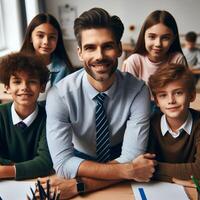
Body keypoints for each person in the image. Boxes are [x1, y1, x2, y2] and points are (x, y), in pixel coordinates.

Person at [43, 7, 156, 199]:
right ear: (79, 53)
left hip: (109, 165)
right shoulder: (59, 95)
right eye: (90, 48)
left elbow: (131, 157)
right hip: (86, 161)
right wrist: (128, 170)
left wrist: (78, 186)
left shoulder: (138, 90)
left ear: (120, 49)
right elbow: (63, 164)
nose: (99, 56)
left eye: (107, 46)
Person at [0, 52, 53, 180]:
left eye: (32, 81)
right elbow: (38, 165)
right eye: (17, 82)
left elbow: (45, 163)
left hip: (37, 183)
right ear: (7, 87)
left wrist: (4, 170)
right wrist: (29, 167)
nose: (24, 87)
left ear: (42, 87)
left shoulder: (50, 117)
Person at [147, 63, 200, 182]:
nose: (171, 101)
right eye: (163, 95)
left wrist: (156, 168)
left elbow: (199, 171)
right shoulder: (151, 124)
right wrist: (181, 177)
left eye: (178, 93)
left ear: (191, 95)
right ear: (157, 101)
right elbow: (144, 168)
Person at [121, 10, 187, 86]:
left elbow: (181, 92)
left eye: (165, 38)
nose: (158, 44)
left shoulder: (177, 59)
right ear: (144, 36)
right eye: (152, 37)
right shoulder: (134, 62)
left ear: (173, 39)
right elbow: (128, 95)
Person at [20, 13, 74, 101]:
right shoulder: (18, 65)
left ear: (57, 40)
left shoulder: (64, 69)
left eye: (52, 37)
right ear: (30, 37)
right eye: (40, 36)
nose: (46, 42)